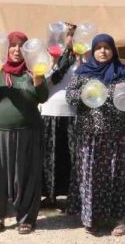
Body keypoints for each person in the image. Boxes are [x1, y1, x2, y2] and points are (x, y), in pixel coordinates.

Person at [65, 34, 125, 236]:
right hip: (90, 133)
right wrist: (86, 94)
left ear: (113, 50)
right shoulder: (82, 72)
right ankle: (92, 218)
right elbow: (71, 97)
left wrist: (124, 94)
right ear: (93, 50)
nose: (102, 51)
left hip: (117, 134)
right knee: (90, 174)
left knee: (116, 174)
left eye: (106, 47)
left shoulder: (122, 71)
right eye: (98, 47)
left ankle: (119, 218)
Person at [0, 31, 48, 235]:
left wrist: (37, 77)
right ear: (6, 48)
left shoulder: (33, 69)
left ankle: (26, 218)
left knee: (27, 176)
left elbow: (43, 96)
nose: (17, 50)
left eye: (21, 46)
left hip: (27, 133)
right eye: (13, 45)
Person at [41, 23, 78, 208]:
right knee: (50, 156)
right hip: (50, 112)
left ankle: (73, 196)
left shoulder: (81, 59)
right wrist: (53, 63)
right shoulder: (48, 56)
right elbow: (42, 82)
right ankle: (50, 195)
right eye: (64, 35)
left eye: (71, 35)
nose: (67, 39)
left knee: (72, 157)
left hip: (73, 113)